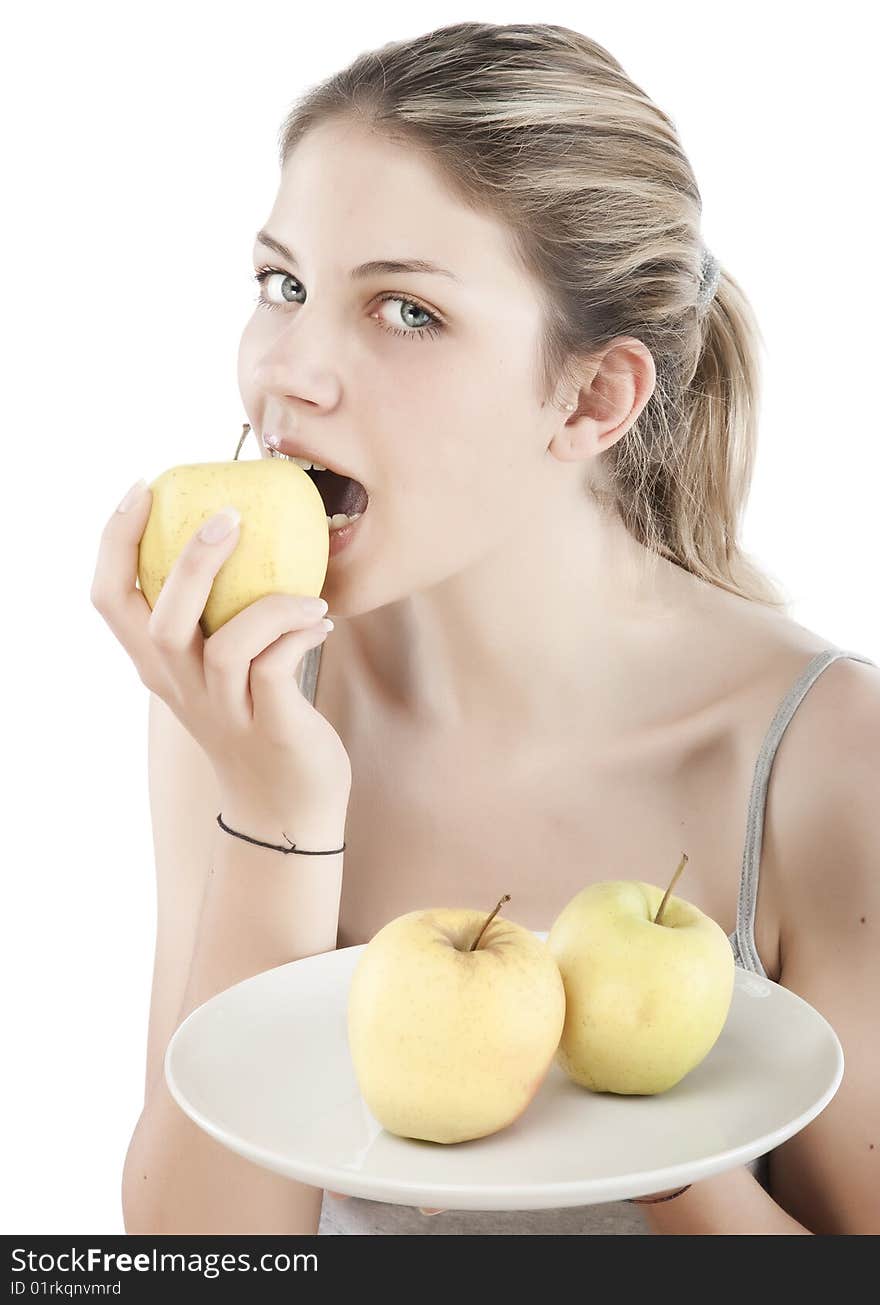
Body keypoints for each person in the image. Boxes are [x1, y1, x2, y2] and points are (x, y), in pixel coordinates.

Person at [92, 22, 879, 1235]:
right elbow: (197, 1265)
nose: (287, 372)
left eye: (405, 311)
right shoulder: (246, 700)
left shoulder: (825, 757)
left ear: (592, 395)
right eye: (283, 285)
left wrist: (649, 1124)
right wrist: (277, 821)